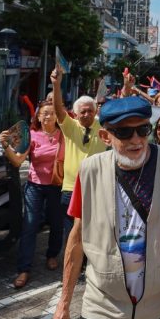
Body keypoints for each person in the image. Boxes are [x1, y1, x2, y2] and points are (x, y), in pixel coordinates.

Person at [49, 98, 160, 319]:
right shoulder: (91, 169)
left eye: (143, 129)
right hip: (100, 305)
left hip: (152, 309)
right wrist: (63, 307)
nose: (136, 139)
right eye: (124, 132)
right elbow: (77, 235)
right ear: (105, 136)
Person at [0, 100, 65, 289]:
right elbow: (18, 161)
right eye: (44, 113)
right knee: (29, 226)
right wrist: (5, 145)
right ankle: (24, 269)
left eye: (52, 113)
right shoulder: (32, 135)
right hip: (35, 186)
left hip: (56, 185)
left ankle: (52, 254)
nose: (48, 116)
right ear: (37, 115)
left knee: (56, 223)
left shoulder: (64, 135)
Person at [51, 67, 105, 253]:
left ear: (95, 111)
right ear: (75, 114)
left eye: (90, 111)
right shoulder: (70, 127)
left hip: (98, 188)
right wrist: (56, 85)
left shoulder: (104, 126)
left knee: (95, 229)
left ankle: (89, 263)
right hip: (71, 188)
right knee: (72, 231)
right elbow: (58, 110)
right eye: (82, 112)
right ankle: (73, 263)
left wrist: (128, 89)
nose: (86, 114)